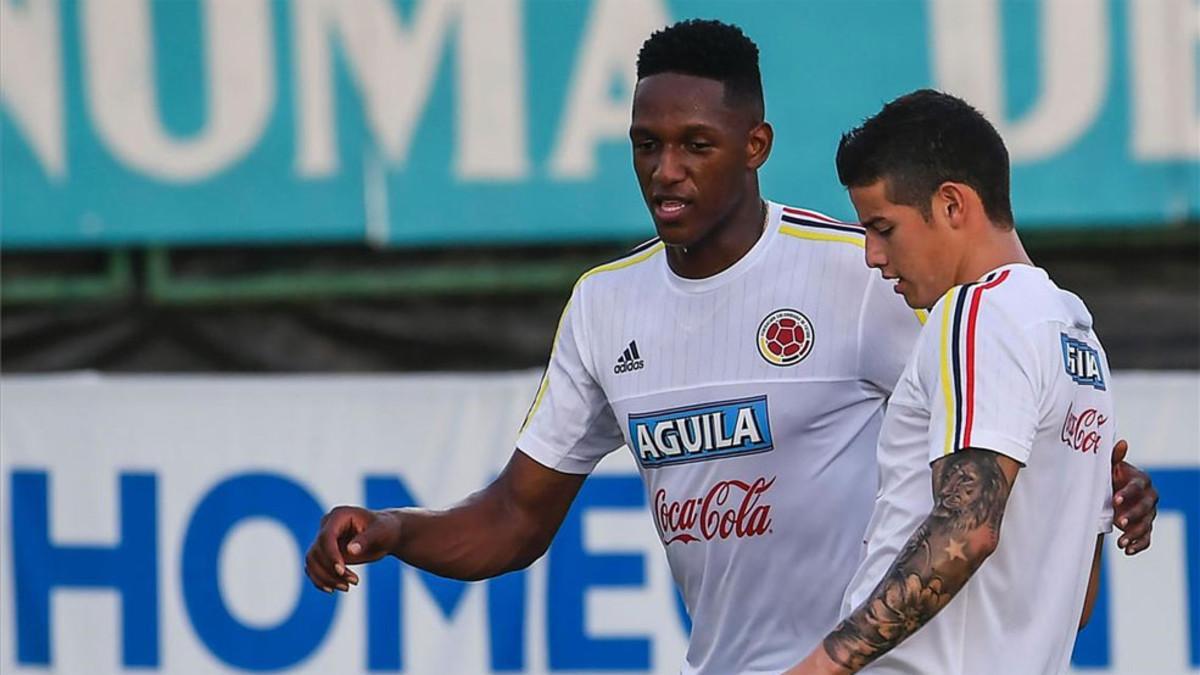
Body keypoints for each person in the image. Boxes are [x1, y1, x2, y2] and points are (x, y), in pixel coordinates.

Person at [305, 21, 1157, 674]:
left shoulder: (878, 280)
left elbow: (984, 488)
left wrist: (1074, 483)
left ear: (756, 147)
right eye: (646, 144)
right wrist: (397, 528)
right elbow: (517, 515)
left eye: (695, 145)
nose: (665, 169)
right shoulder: (606, 306)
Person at [787, 90, 1130, 675]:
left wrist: (822, 666)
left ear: (950, 205)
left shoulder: (977, 312)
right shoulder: (1076, 333)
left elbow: (966, 530)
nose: (872, 255)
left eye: (882, 227)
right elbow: (1078, 601)